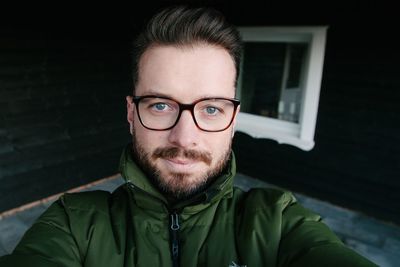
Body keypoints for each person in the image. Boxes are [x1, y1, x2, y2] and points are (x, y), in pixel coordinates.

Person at [0, 5, 376, 267]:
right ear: (132, 113)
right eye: (161, 105)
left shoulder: (278, 224)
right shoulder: (73, 224)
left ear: (233, 118)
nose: (184, 137)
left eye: (211, 108)